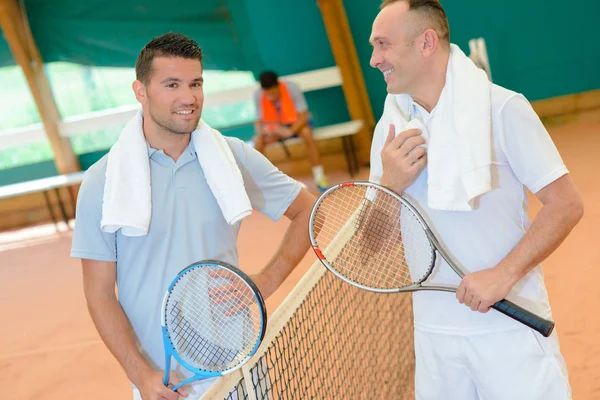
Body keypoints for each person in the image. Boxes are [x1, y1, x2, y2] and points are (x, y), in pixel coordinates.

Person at [70, 33, 315, 400]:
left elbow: (309, 209)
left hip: (237, 364)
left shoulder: (233, 157)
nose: (189, 98)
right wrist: (140, 374)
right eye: (172, 84)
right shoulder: (101, 183)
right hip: (161, 383)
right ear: (141, 91)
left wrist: (267, 280)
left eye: (195, 83)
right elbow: (99, 293)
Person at [368, 1, 583, 399]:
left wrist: (503, 275)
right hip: (434, 343)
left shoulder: (503, 109)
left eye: (383, 45)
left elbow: (567, 204)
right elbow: (371, 246)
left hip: (510, 331)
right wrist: (390, 185)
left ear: (426, 42)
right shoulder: (389, 130)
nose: (374, 59)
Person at [252, 71, 328, 192]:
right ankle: (267, 184)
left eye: (273, 92)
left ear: (278, 86)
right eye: (267, 93)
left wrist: (290, 131)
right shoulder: (258, 95)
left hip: (295, 126)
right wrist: (266, 132)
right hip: (276, 130)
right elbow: (258, 123)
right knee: (257, 142)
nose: (271, 96)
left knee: (307, 133)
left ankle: (320, 177)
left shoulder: (292, 87)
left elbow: (303, 116)